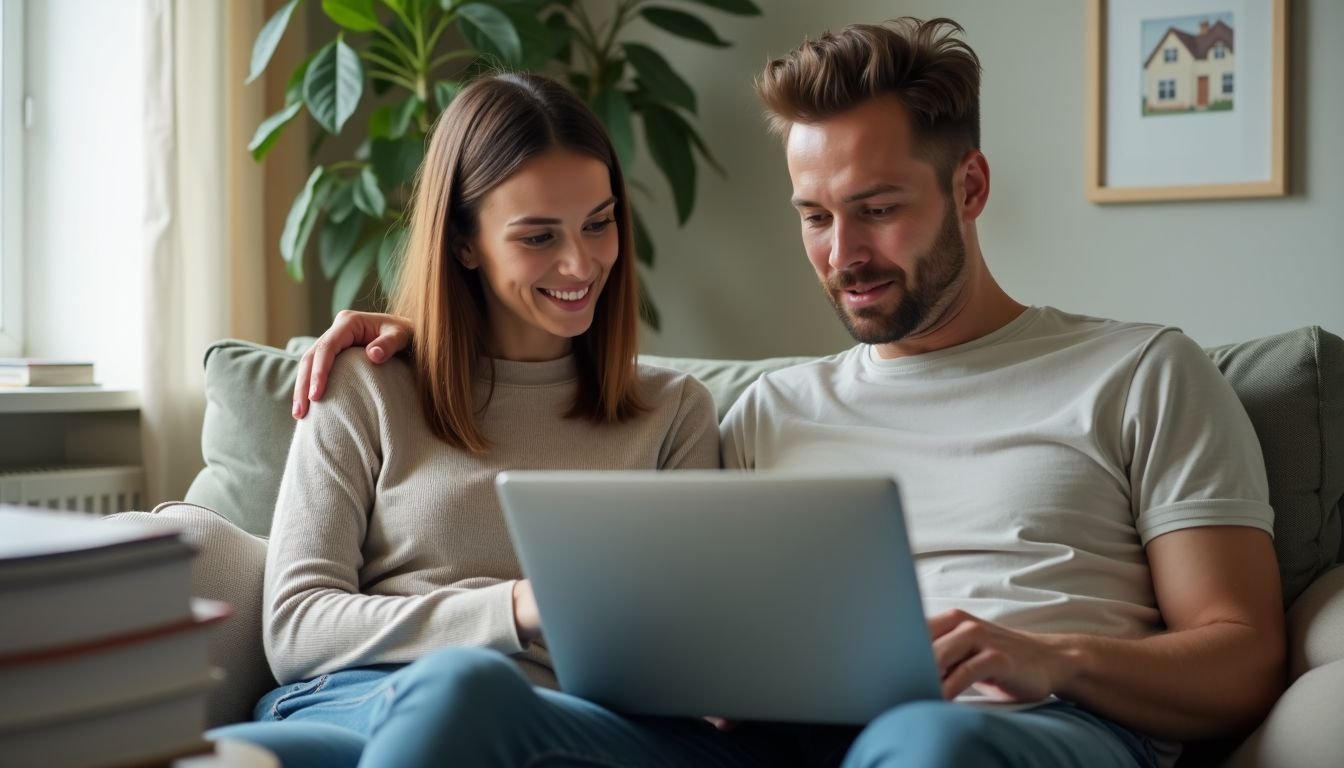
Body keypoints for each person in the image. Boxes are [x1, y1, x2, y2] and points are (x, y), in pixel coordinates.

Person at [292, 18, 1284, 768]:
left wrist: (1052, 658)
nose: (844, 254)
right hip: (788, 744)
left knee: (928, 743)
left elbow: (1242, 659)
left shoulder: (1141, 373)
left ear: (971, 188)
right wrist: (433, 330)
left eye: (878, 210)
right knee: (471, 697)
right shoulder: (765, 413)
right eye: (815, 217)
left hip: (1027, 727)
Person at [210, 72, 737, 768]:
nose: (581, 263)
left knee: (467, 688)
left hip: (563, 727)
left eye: (599, 223)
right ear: (464, 243)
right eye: (538, 236)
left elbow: (688, 645)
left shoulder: (674, 414)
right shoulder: (366, 385)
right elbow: (297, 628)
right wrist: (517, 608)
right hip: (356, 703)